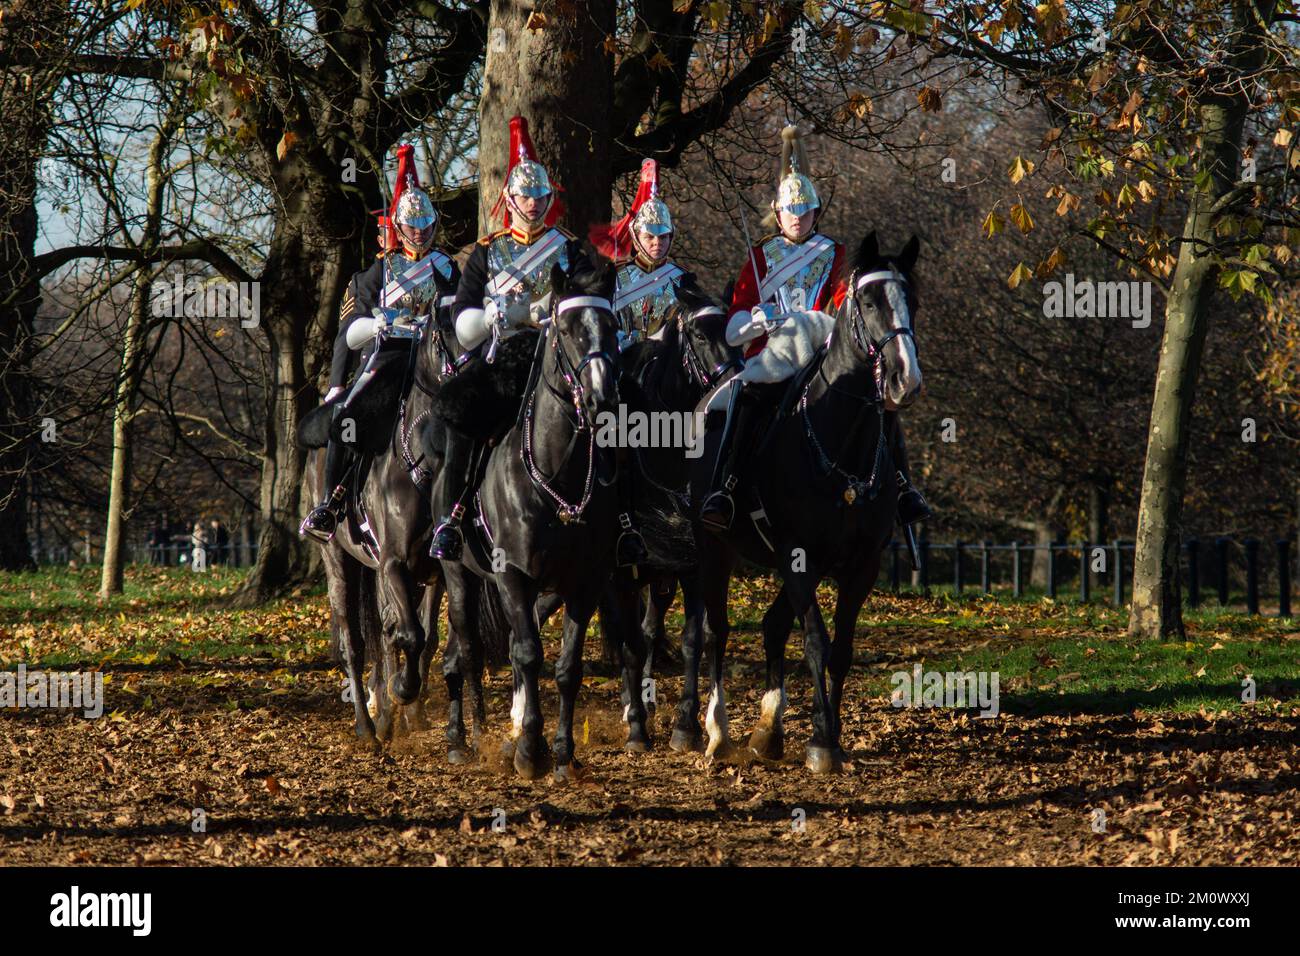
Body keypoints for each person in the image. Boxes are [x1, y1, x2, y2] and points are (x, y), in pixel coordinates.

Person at [699, 125, 931, 532]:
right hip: (773, 352)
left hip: (824, 345)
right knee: (747, 398)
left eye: (806, 211)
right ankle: (726, 485)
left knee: (878, 401)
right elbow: (735, 320)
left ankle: (902, 486)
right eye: (791, 210)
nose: (798, 218)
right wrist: (755, 322)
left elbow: (846, 305)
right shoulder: (761, 256)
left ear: (815, 212)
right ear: (777, 211)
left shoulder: (836, 254)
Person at [428, 115, 578, 562]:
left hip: (555, 356)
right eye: (524, 196)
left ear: (548, 199)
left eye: (538, 196)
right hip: (501, 358)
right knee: (463, 417)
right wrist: (498, 314)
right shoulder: (488, 251)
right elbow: (462, 321)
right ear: (508, 199)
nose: (531, 204)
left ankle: (624, 520)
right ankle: (451, 519)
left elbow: (587, 296)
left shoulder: (567, 248)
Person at [300, 143, 457, 542]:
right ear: (399, 227)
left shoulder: (445, 268)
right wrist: (379, 323)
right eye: (413, 225)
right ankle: (330, 502)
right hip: (388, 358)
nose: (420, 232)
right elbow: (349, 333)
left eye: (426, 224)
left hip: (436, 360)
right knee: (349, 420)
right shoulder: (377, 272)